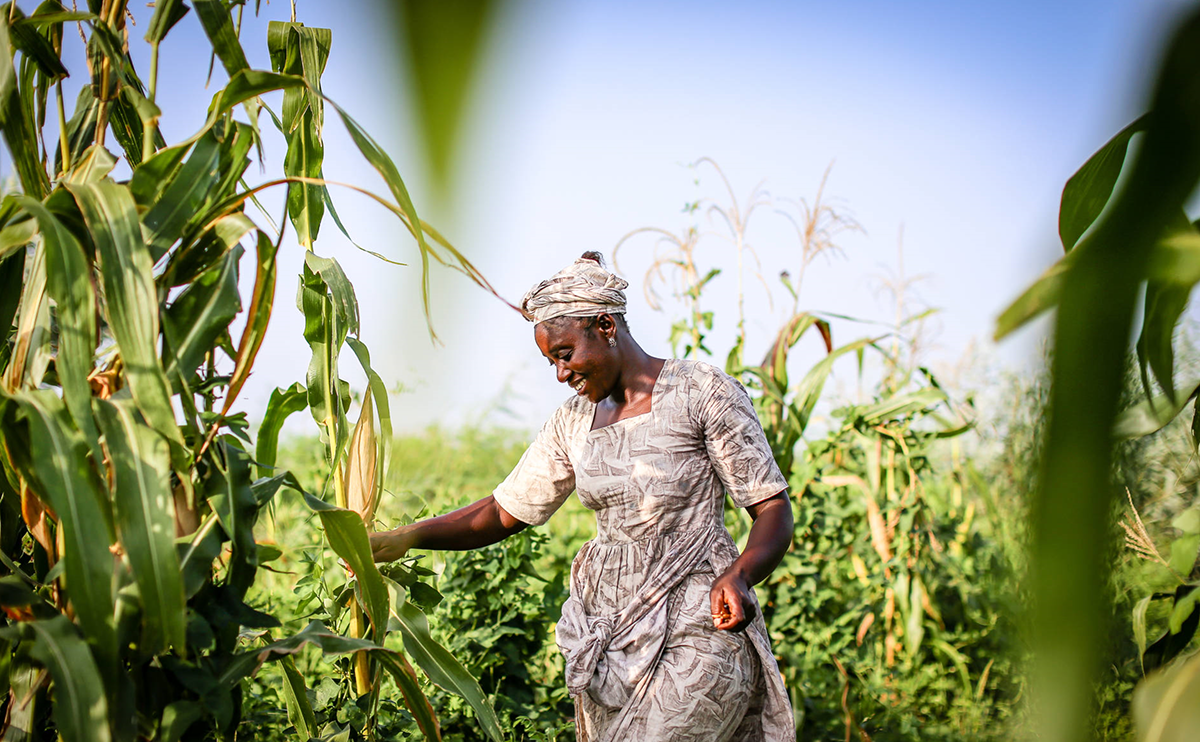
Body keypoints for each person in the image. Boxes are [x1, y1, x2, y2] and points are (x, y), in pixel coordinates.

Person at [370, 252, 796, 741]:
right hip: (611, 640)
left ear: (605, 325)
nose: (559, 373)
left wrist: (740, 575)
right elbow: (502, 511)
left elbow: (771, 506)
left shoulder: (700, 391)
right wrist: (407, 538)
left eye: (565, 353)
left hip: (698, 626)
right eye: (551, 360)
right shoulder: (573, 422)